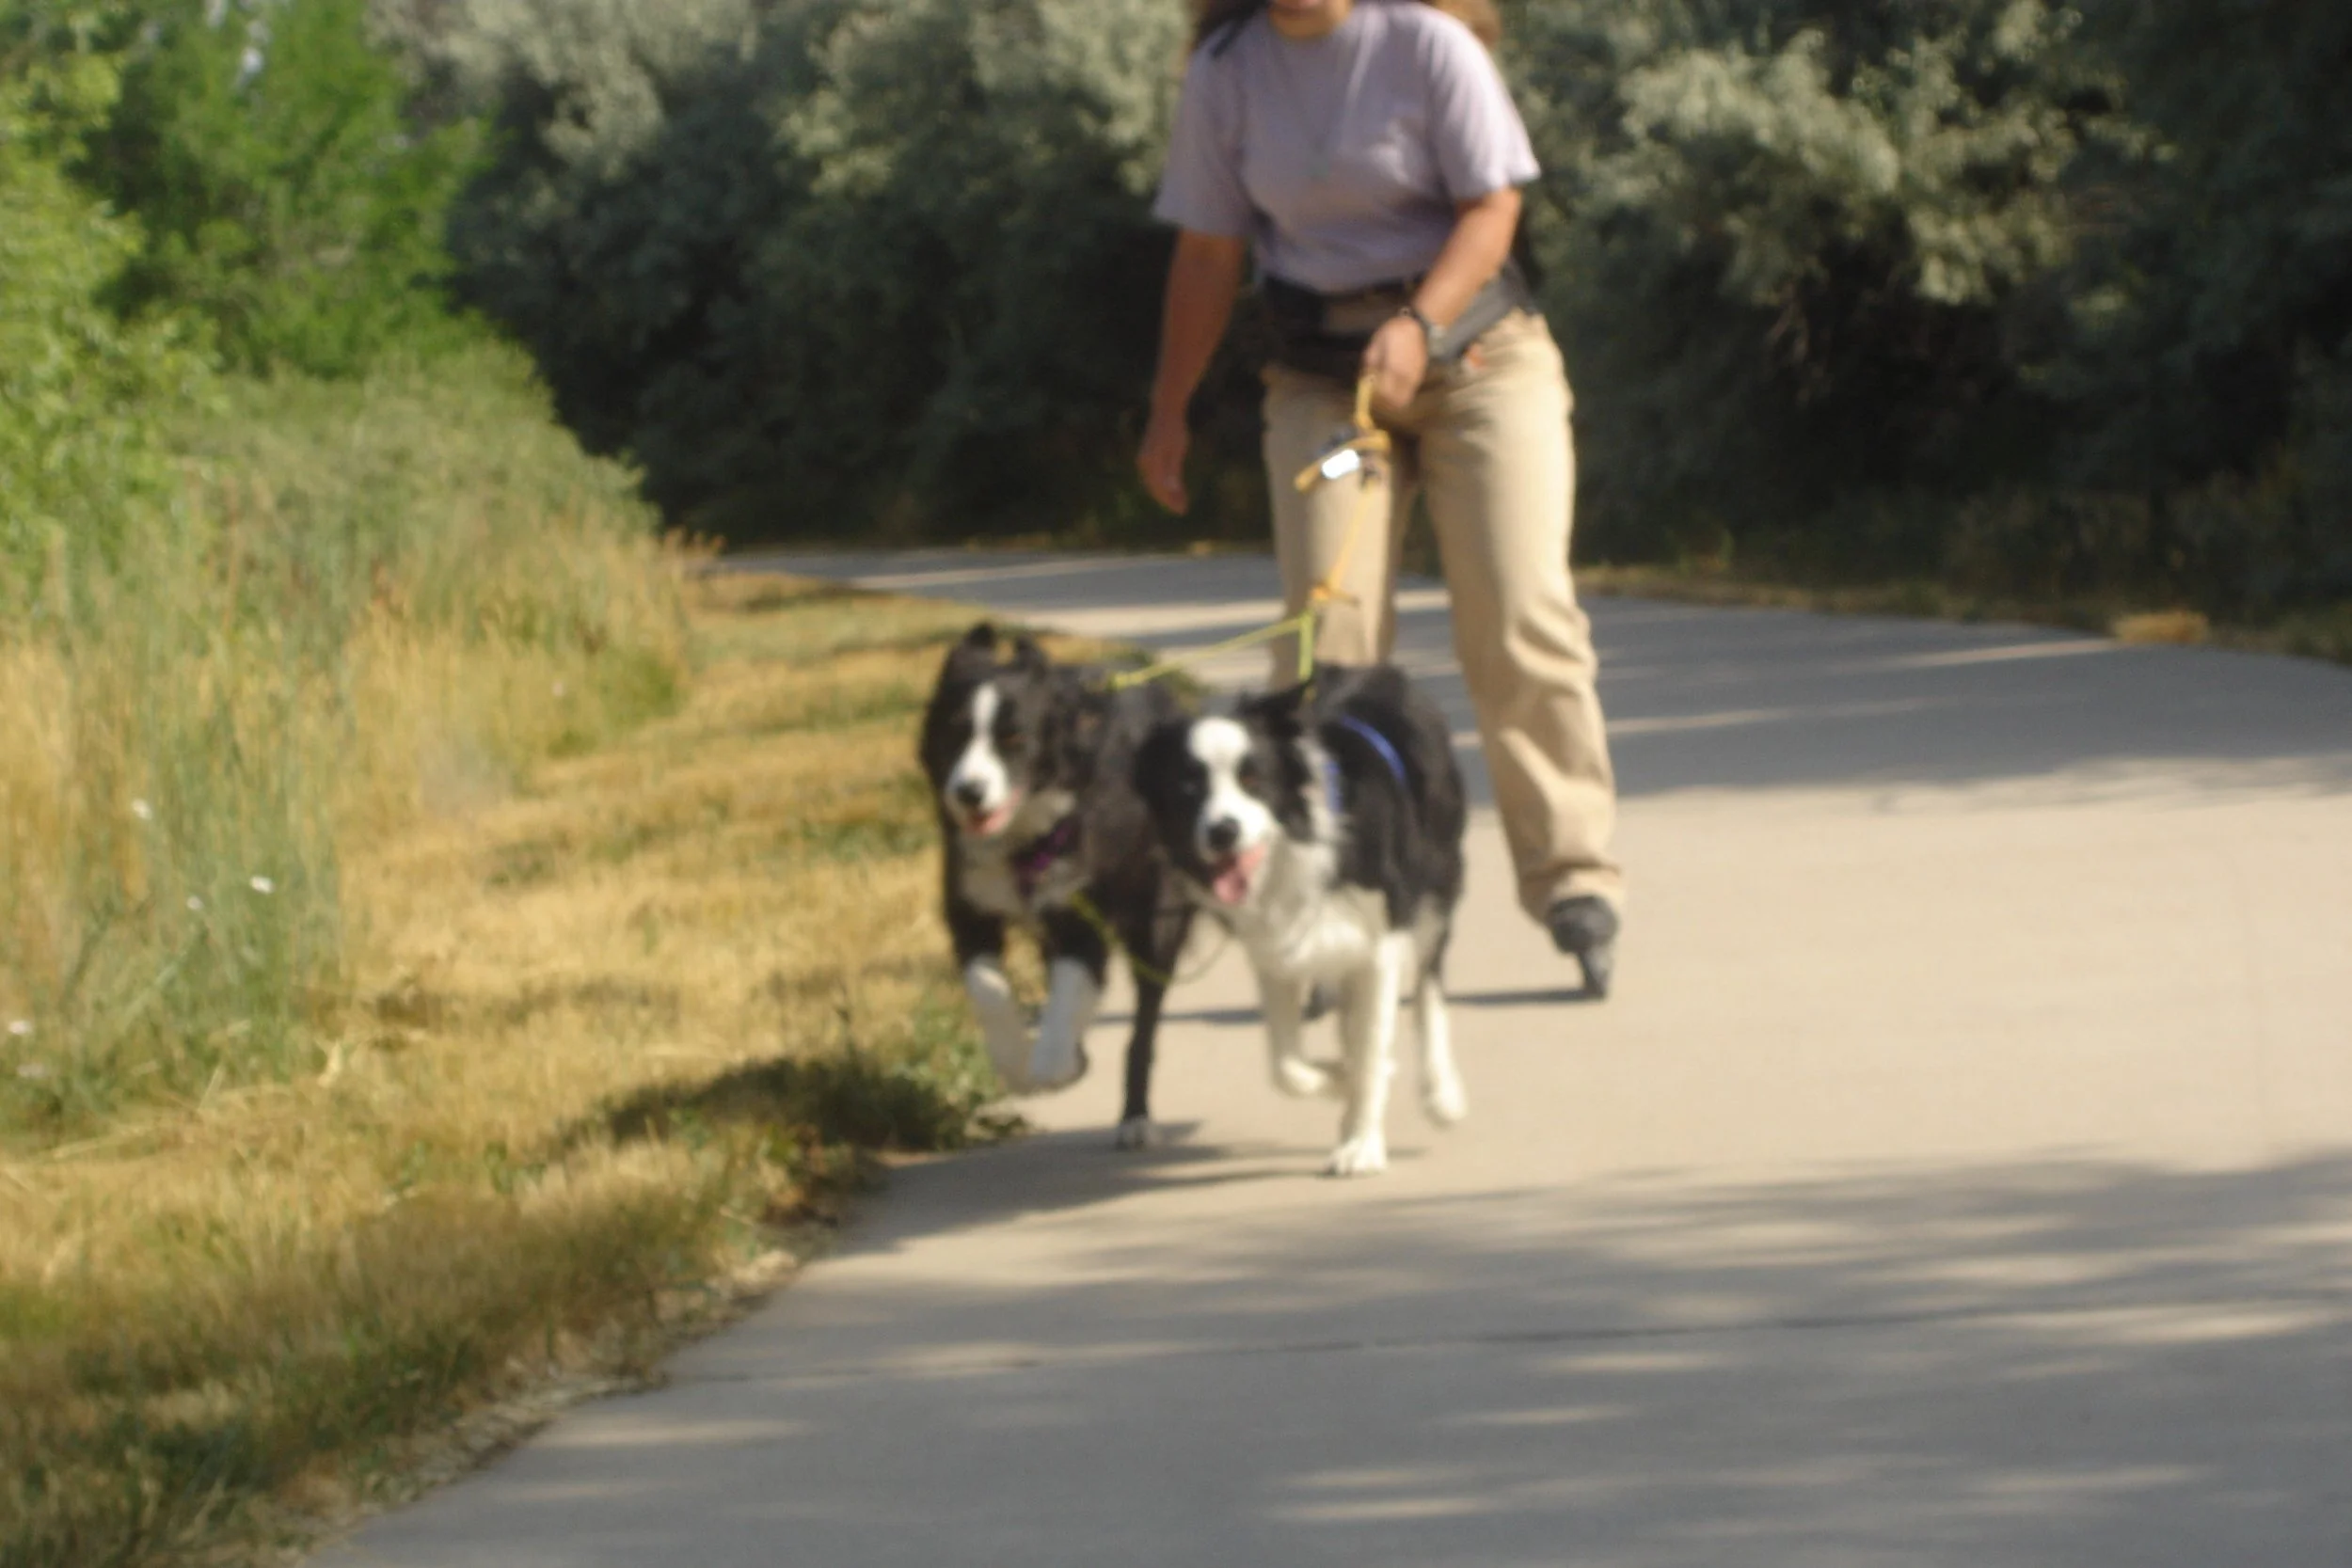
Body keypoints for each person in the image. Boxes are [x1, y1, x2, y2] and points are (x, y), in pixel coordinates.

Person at [1136, 0, 1625, 994]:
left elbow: (1493, 208)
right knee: (1328, 634)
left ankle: (1573, 872)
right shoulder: (1226, 73)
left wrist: (1419, 322)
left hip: (1479, 367)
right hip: (1332, 398)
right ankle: (1329, 894)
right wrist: (1167, 409)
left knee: (1517, 609)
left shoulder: (1425, 44)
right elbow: (1206, 253)